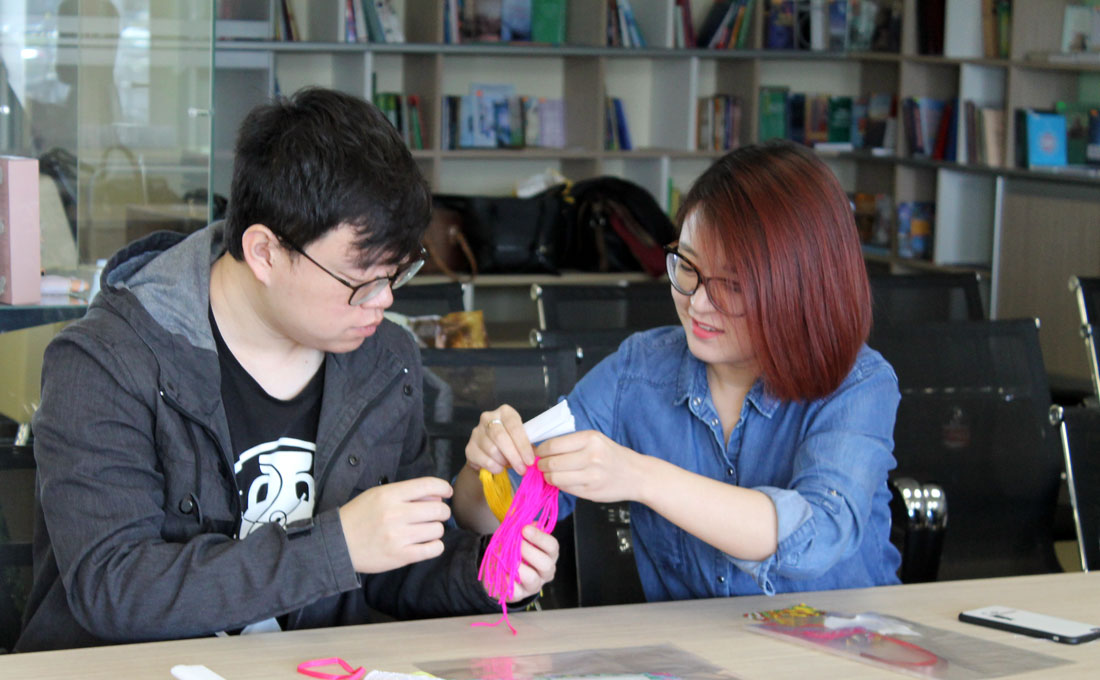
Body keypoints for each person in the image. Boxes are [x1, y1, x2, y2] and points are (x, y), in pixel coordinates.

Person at [17, 87, 557, 651]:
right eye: (362, 280)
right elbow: (114, 588)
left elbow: (389, 566)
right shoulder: (106, 362)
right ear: (264, 253)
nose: (384, 300)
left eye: (398, 272)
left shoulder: (383, 359)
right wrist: (336, 546)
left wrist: (489, 570)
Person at [453, 141, 901, 600]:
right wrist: (483, 467)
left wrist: (640, 476)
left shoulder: (858, 383)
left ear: (801, 286)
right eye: (687, 265)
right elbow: (484, 517)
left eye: (732, 285)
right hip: (691, 647)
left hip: (843, 639)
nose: (698, 303)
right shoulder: (638, 372)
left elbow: (816, 535)